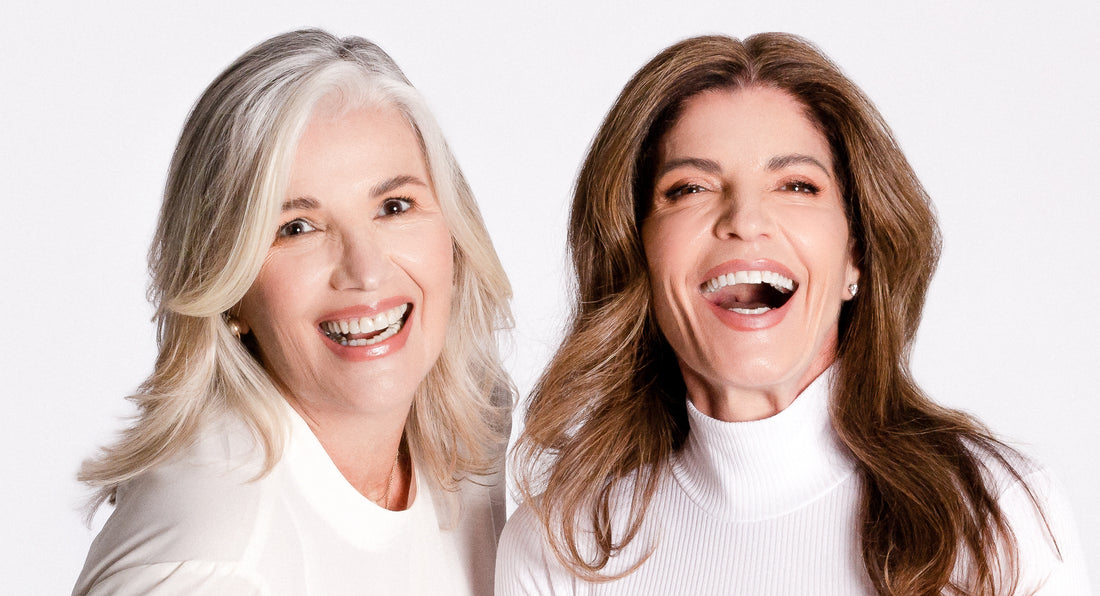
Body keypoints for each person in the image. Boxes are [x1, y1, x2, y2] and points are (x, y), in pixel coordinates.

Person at [496, 33, 1090, 595]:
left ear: (855, 252)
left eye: (797, 185)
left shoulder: (994, 511)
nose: (746, 220)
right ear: (638, 254)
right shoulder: (561, 548)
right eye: (690, 188)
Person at [74, 29, 513, 595]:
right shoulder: (210, 562)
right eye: (295, 228)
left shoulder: (469, 427)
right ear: (226, 287)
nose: (366, 270)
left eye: (394, 206)